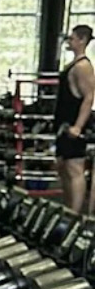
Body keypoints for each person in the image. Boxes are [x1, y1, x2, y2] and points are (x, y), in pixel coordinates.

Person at [55, 25, 95, 212]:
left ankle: (74, 215)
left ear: (82, 40)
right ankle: (67, 210)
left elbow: (89, 97)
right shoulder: (74, 64)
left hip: (73, 124)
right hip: (64, 124)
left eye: (72, 38)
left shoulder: (83, 66)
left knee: (75, 169)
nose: (69, 41)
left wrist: (78, 126)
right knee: (63, 167)